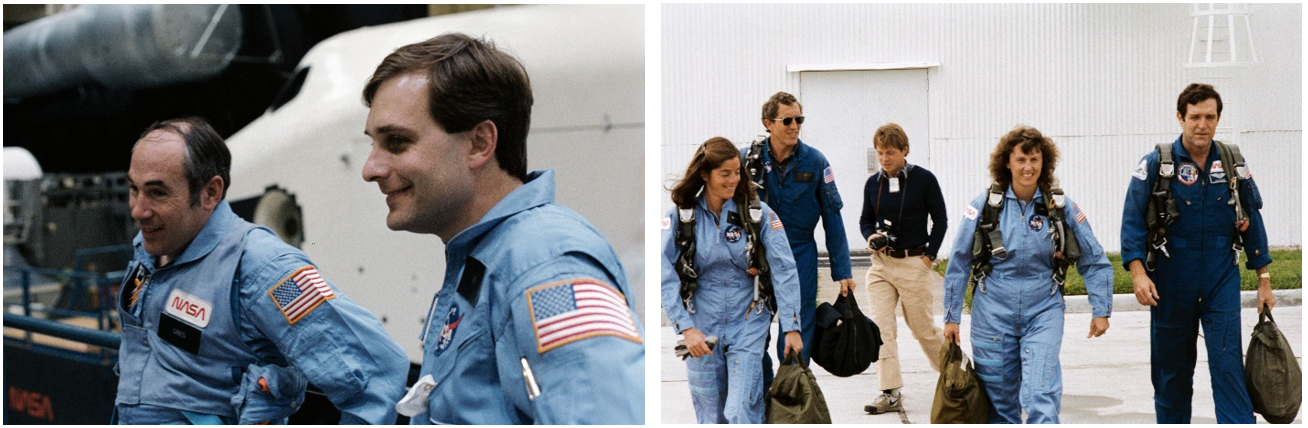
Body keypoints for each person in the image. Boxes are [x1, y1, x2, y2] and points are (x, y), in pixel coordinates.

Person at [360, 33, 644, 424]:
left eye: (396, 142)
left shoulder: (546, 267)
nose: (370, 169)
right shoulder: (489, 258)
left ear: (479, 143)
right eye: (373, 144)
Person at [114, 117, 409, 424]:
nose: (138, 210)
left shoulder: (263, 268)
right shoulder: (150, 249)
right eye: (134, 189)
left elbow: (377, 373)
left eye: (158, 193)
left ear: (210, 193)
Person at [1120, 83, 1274, 424]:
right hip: (1172, 280)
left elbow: (1253, 217)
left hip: (1220, 278)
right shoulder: (1157, 164)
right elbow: (1132, 222)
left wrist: (1263, 279)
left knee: (1228, 367)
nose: (1202, 125)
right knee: (1172, 375)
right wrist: (1138, 273)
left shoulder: (1233, 161)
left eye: (1210, 117)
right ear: (1180, 118)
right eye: (1194, 117)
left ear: (1218, 119)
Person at [942, 126, 1112, 423]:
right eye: (1021, 159)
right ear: (1007, 162)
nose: (1027, 167)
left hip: (1043, 310)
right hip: (992, 312)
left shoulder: (1060, 207)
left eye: (1034, 159)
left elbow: (1094, 257)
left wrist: (1101, 308)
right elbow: (958, 261)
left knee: (1040, 394)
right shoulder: (982, 206)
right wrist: (951, 315)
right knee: (999, 403)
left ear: (1044, 163)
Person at [661, 137, 804, 424]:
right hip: (701, 324)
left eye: (737, 172)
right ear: (705, 174)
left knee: (741, 412)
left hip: (748, 320)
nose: (734, 180)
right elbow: (662, 272)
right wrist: (686, 328)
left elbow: (785, 269)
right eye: (725, 174)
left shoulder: (758, 214)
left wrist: (791, 326)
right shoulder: (680, 218)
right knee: (711, 416)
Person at [743, 91, 855, 389]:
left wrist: (842, 270)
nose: (795, 126)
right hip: (757, 258)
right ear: (768, 123)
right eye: (787, 120)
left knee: (797, 330)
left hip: (800, 255)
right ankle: (764, 395)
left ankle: (792, 396)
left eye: (799, 119)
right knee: (753, 332)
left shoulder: (816, 162)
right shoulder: (746, 161)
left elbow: (833, 217)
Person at [858, 123, 948, 414]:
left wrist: (928, 257)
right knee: (881, 329)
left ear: (905, 151)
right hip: (882, 264)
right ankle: (890, 392)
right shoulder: (874, 184)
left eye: (891, 153)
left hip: (913, 262)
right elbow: (865, 220)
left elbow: (941, 220)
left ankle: (957, 376)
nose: (884, 158)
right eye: (880, 153)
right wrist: (871, 236)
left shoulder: (924, 179)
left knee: (923, 330)